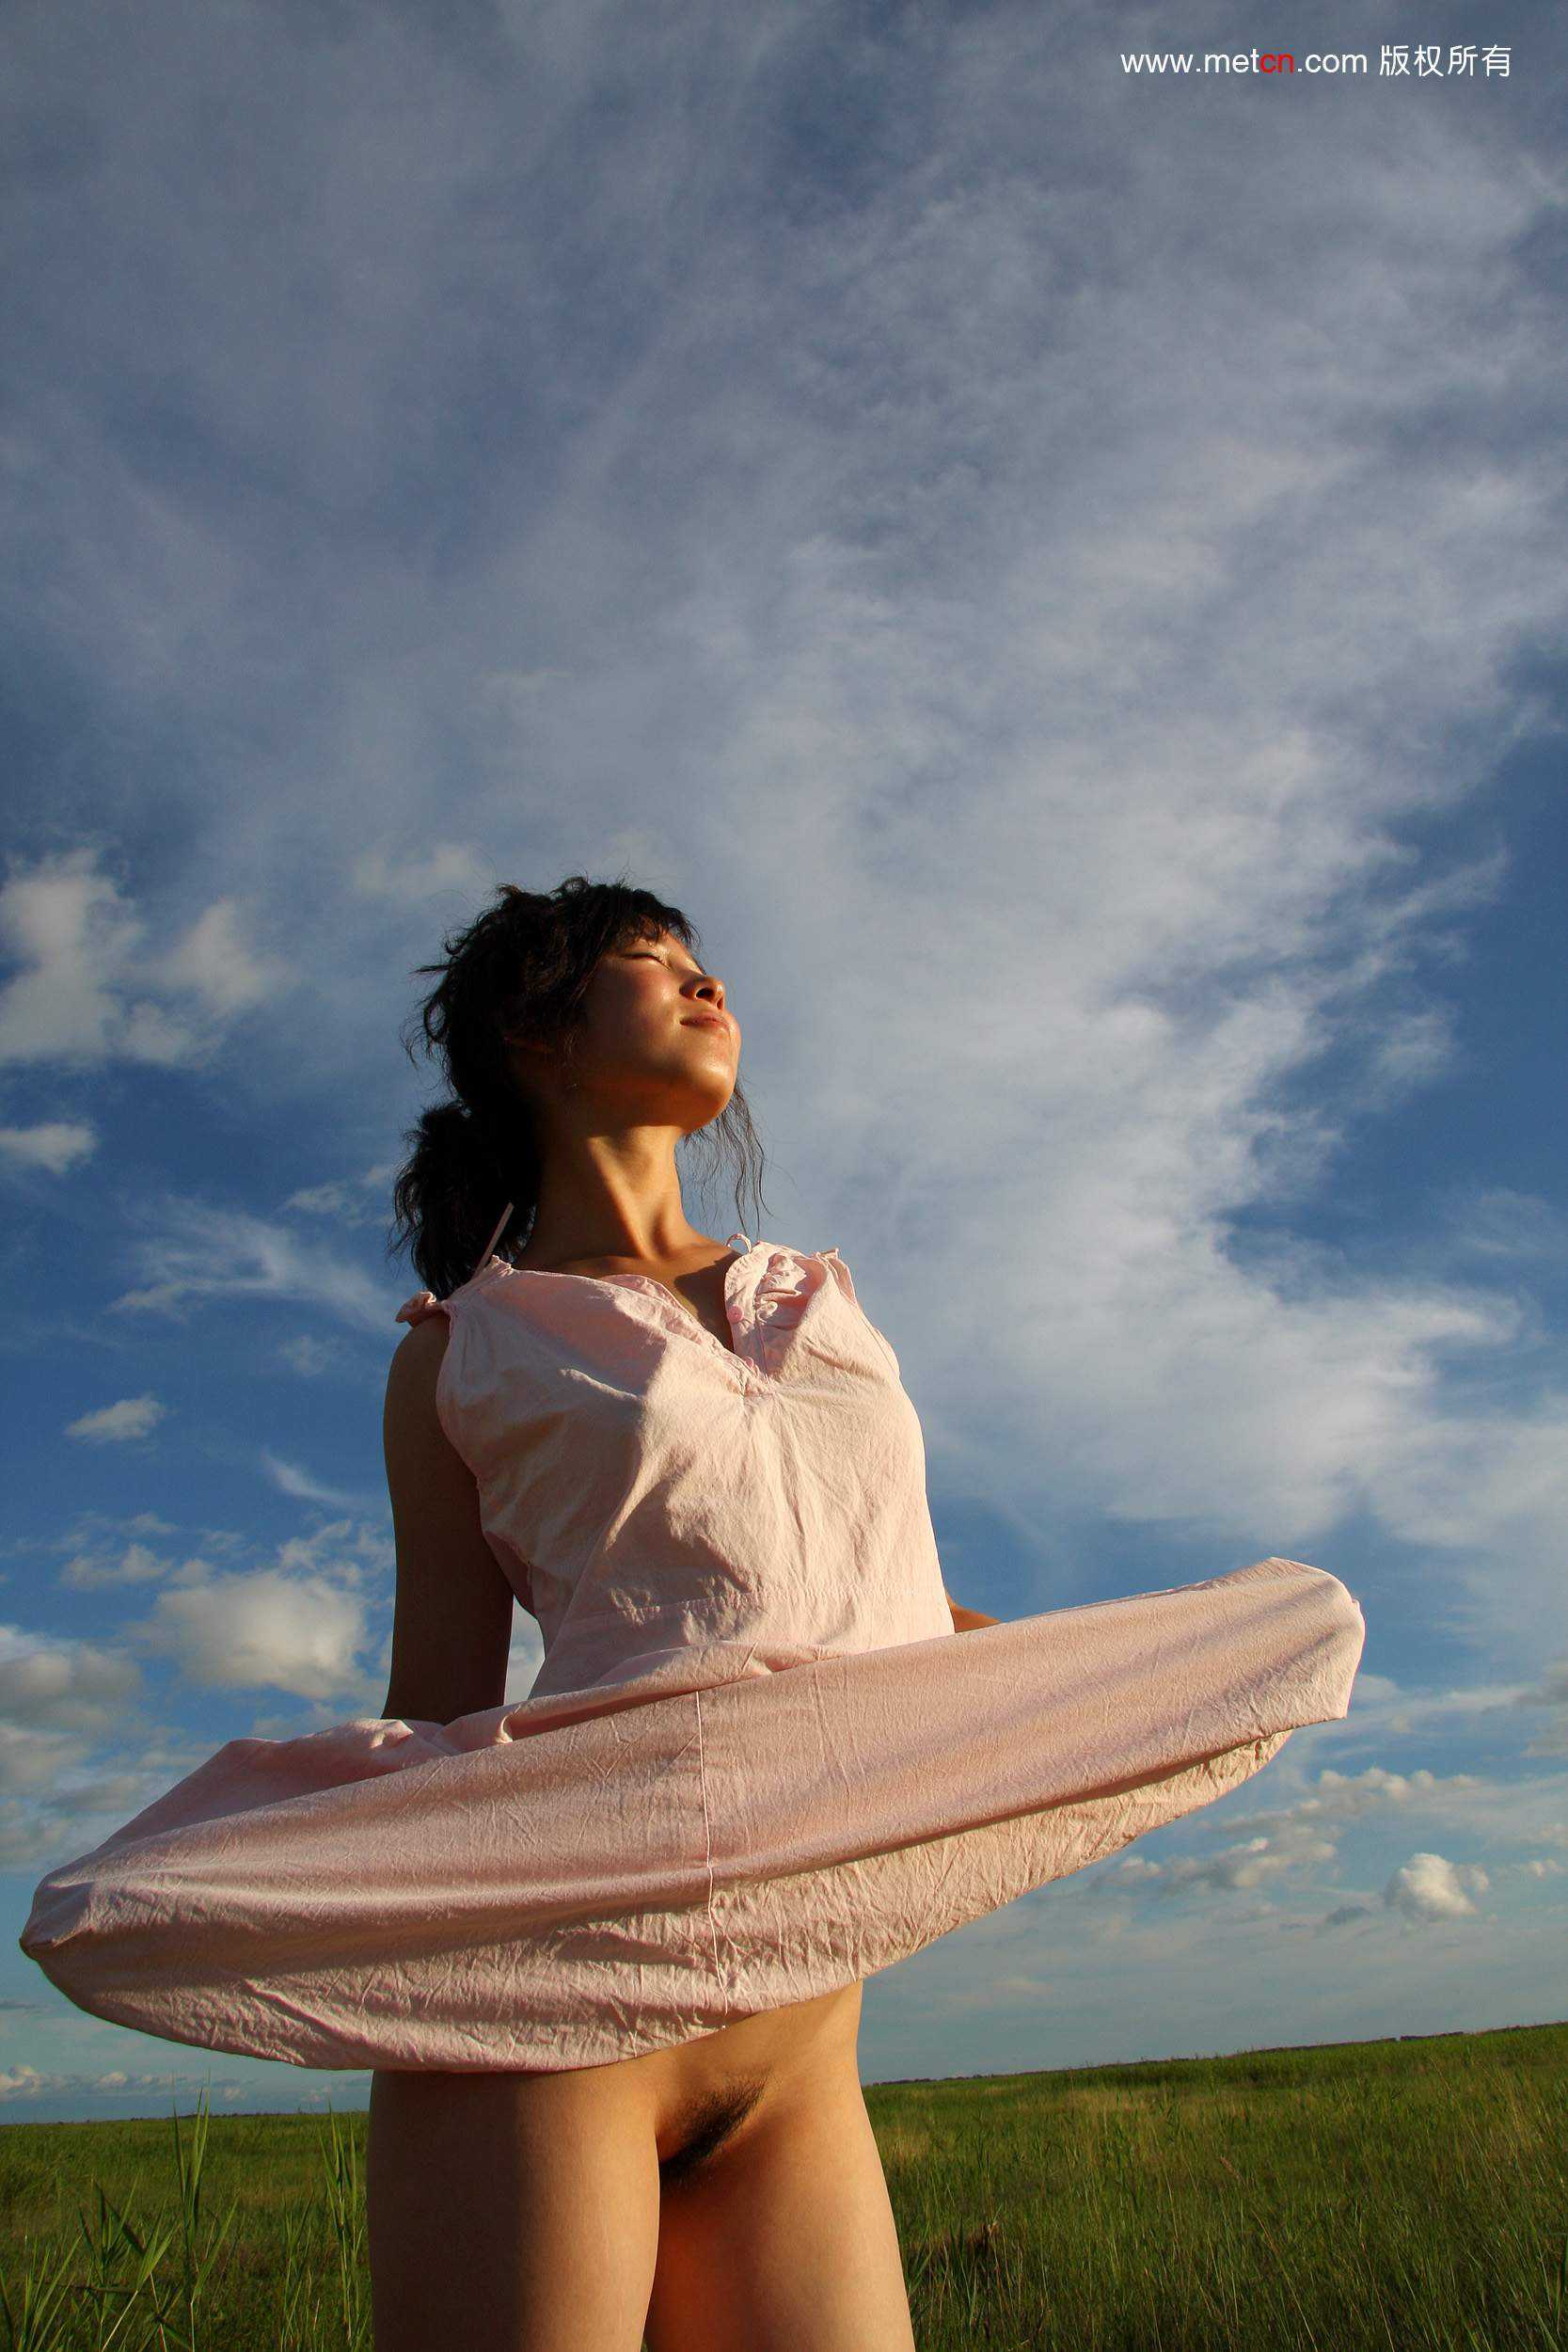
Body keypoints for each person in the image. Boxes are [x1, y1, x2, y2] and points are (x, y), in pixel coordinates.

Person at [19, 873, 1365, 2352]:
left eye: (698, 960)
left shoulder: (821, 1304)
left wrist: (1144, 1680)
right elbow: (440, 1703)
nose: (704, 982)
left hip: (800, 2051)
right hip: (546, 2018)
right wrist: (250, 1888)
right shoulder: (467, 1349)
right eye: (650, 961)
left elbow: (881, 1607)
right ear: (536, 1035)